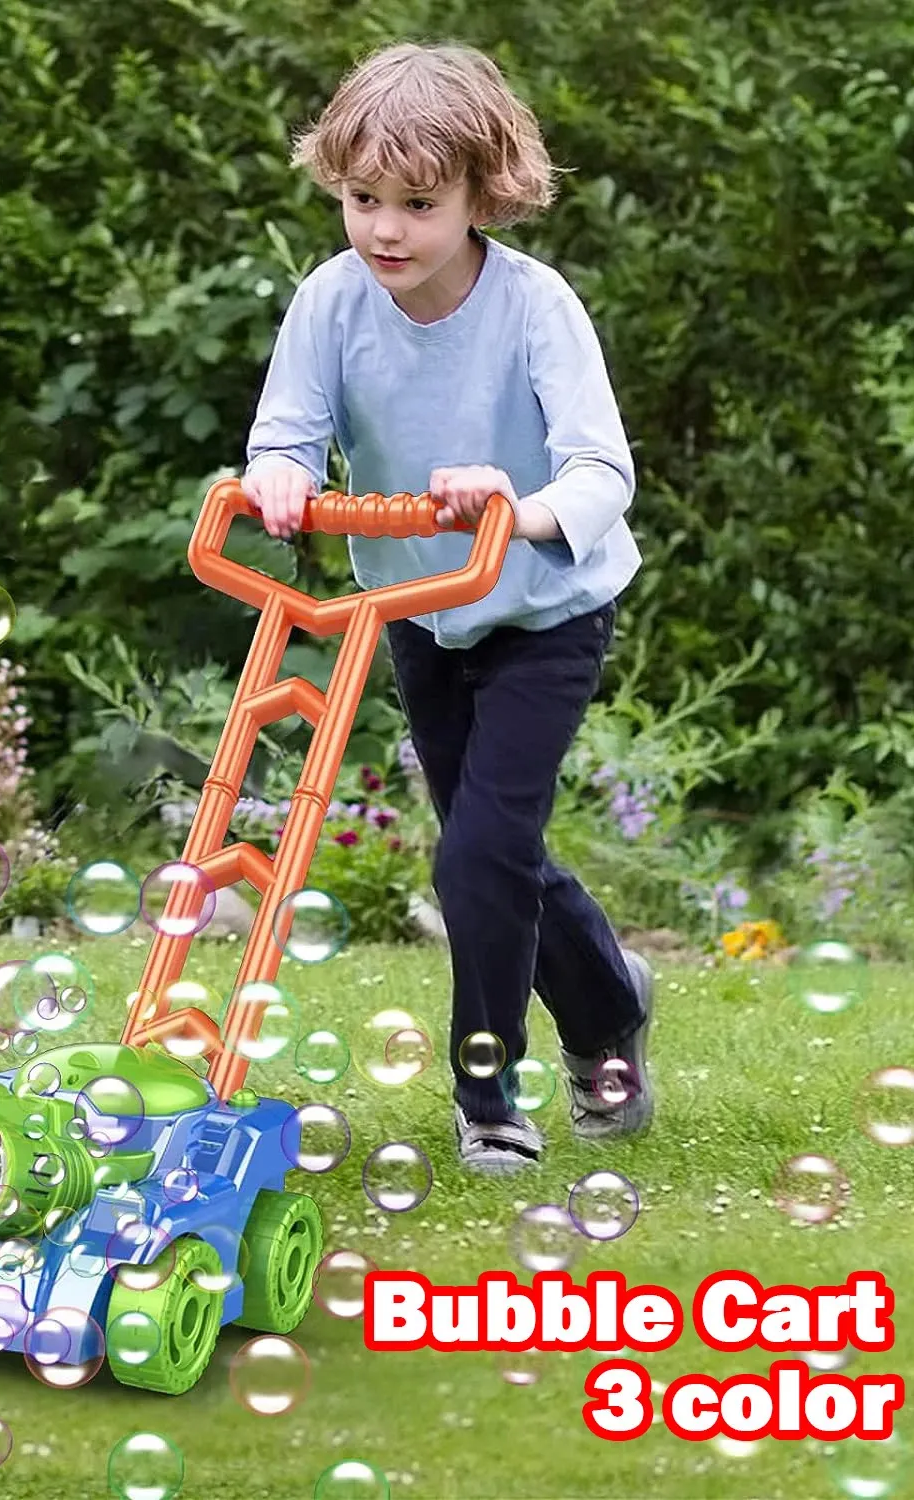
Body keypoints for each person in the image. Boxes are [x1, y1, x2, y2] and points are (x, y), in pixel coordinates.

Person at [242, 40, 655, 1174]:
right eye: (361, 198)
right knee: (491, 850)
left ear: (483, 193)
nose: (384, 229)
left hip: (547, 607)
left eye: (418, 204)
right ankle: (614, 1001)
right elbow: (284, 434)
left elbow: (600, 474)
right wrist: (281, 475)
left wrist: (513, 509)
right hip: (420, 611)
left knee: (476, 854)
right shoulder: (330, 302)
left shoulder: (534, 306)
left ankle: (491, 1098)